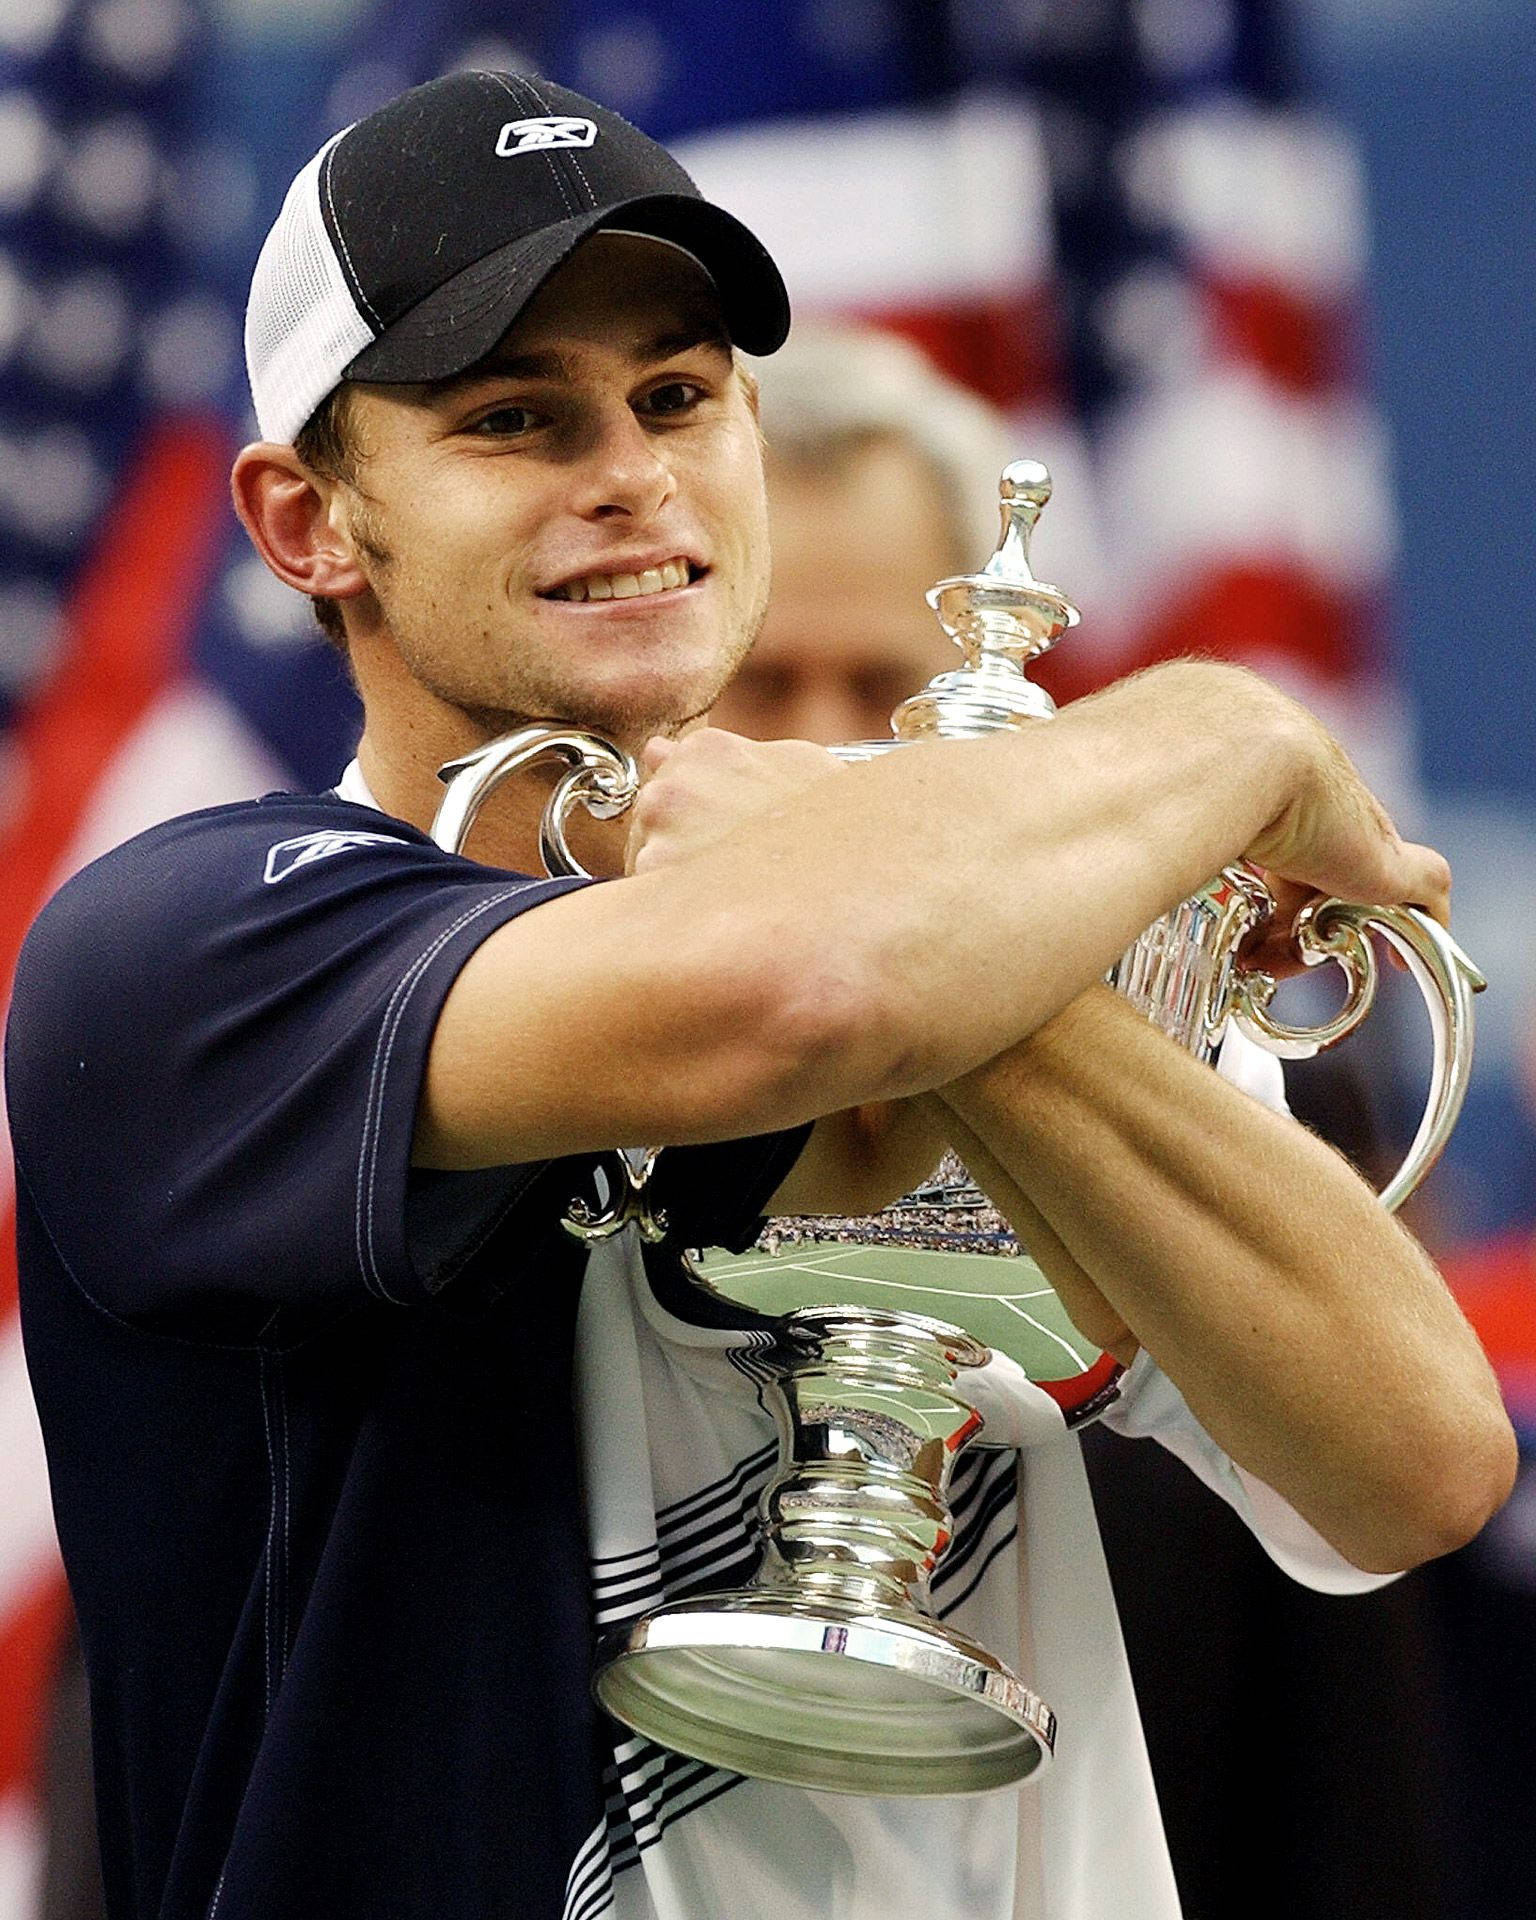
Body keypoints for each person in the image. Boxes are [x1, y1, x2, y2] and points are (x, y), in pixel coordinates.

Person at [4, 71, 1513, 1920]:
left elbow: (1418, 1463)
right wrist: (1234, 726)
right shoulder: (188, 949)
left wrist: (930, 921)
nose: (631, 470)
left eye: (678, 394)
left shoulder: (980, 955)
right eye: (513, 418)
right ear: (309, 520)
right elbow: (804, 989)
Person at [730, 320, 1463, 1920]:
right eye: (770, 683)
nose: (832, 746)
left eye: (894, 695)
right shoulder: (498, 1025)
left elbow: (1364, 1637)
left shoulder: (1203, 1050)